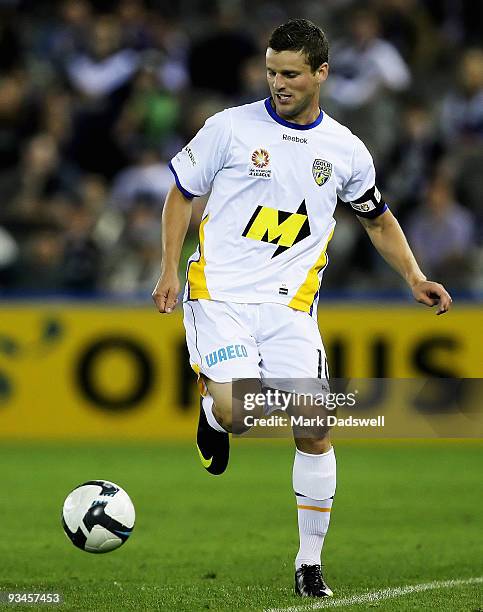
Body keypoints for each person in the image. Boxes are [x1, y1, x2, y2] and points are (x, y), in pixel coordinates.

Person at [152, 19, 452, 598]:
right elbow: (180, 194)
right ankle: (215, 416)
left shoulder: (345, 149)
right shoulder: (230, 127)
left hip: (291, 310)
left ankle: (308, 563)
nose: (278, 83)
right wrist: (168, 266)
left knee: (315, 429)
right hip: (221, 296)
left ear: (321, 74)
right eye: (271, 72)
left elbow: (378, 219)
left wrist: (415, 276)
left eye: (290, 74)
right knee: (238, 410)